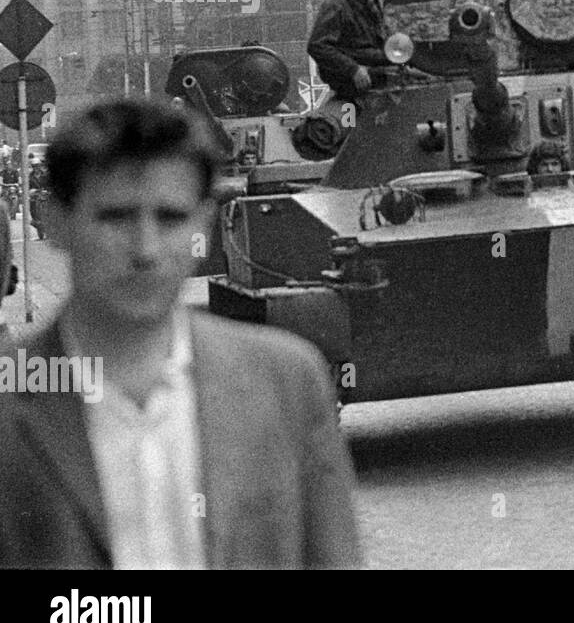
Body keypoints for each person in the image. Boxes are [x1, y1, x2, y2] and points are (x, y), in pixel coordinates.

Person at [0, 99, 361, 568]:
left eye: (170, 218)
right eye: (116, 217)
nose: (146, 249)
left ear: (204, 225)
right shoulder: (13, 396)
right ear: (56, 224)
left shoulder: (286, 381)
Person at [308, 0, 391, 102]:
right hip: (352, 82)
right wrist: (353, 69)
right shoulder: (337, 7)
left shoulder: (374, 9)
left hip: (381, 74)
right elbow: (317, 46)